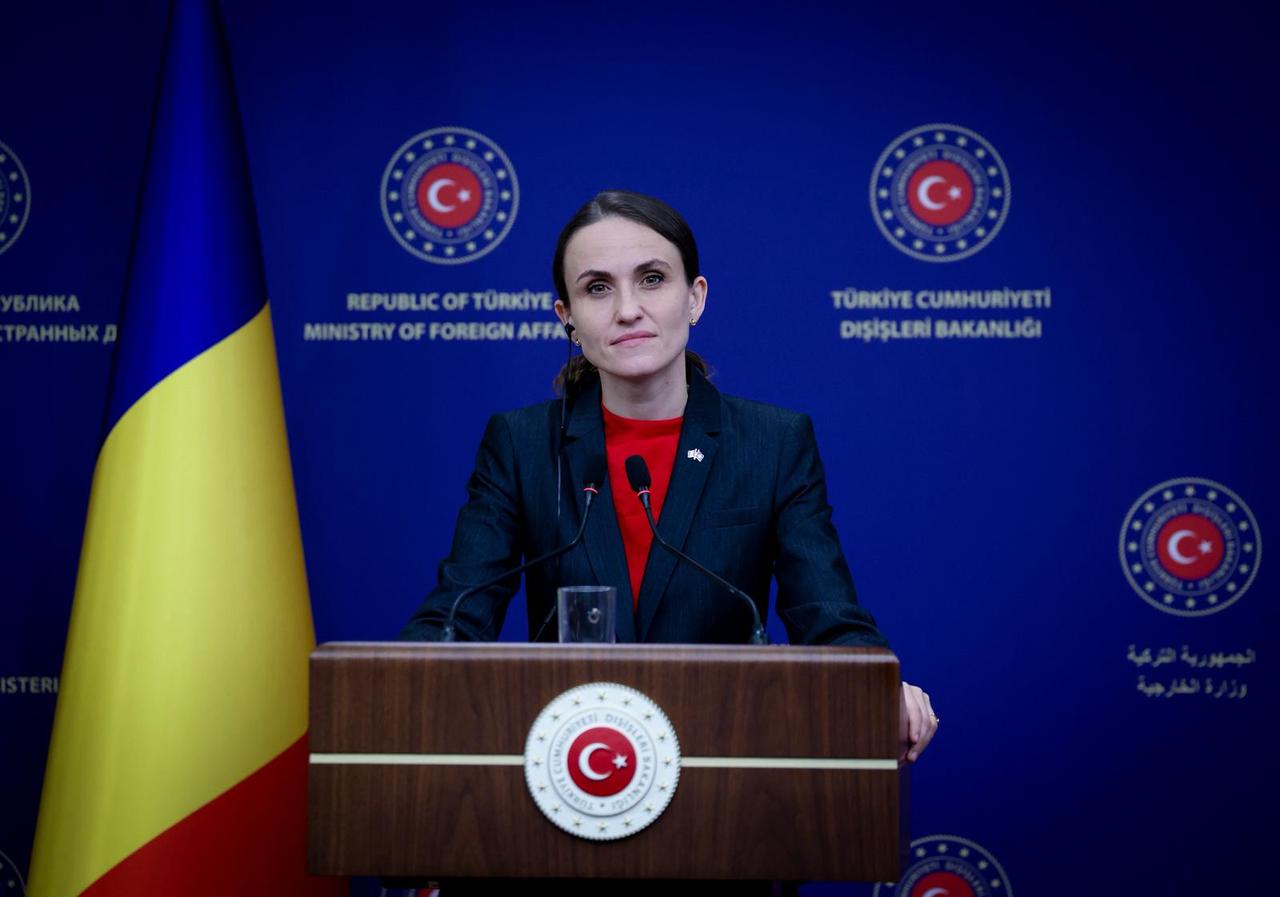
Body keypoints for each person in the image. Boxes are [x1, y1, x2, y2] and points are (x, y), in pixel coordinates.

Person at [402, 189, 937, 762]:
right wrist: (399, 682)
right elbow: (457, 615)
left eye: (652, 279)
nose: (627, 308)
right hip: (572, 763)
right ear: (568, 319)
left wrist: (875, 682)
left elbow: (828, 617)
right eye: (597, 287)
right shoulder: (523, 445)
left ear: (695, 298)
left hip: (723, 763)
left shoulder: (773, 443)